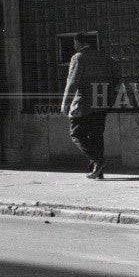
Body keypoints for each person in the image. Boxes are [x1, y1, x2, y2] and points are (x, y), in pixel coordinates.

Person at [61, 33, 116, 179]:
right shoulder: (104, 57)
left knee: (77, 133)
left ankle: (98, 161)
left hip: (83, 103)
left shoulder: (78, 57)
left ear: (78, 43)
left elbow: (72, 82)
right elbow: (115, 79)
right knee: (96, 135)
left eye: (74, 43)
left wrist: (66, 102)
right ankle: (98, 171)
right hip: (102, 102)